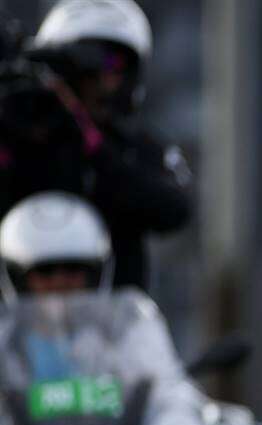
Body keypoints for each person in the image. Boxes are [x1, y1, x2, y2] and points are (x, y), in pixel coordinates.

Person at [0, 0, 191, 292]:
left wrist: (88, 142)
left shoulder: (134, 148)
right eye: (82, 63)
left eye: (114, 63)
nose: (100, 77)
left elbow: (174, 209)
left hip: (114, 328)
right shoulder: (18, 133)